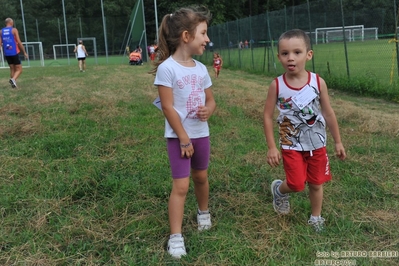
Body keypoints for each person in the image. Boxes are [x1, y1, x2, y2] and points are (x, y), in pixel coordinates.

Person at [263, 29, 346, 233]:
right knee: (297, 183)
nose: (291, 58)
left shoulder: (318, 83)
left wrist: (337, 141)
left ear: (309, 54)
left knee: (317, 183)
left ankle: (315, 217)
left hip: (317, 144)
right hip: (291, 144)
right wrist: (272, 147)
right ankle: (279, 190)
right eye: (285, 53)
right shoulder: (277, 85)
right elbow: (266, 116)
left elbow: (328, 113)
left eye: (297, 52)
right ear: (279, 57)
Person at [151, 6, 215, 259]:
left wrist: (208, 110)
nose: (207, 39)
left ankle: (203, 212)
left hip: (202, 134)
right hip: (180, 139)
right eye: (203, 33)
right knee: (181, 185)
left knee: (201, 176)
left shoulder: (201, 69)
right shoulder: (167, 69)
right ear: (186, 36)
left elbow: (211, 100)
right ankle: (176, 236)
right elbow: (167, 107)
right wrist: (183, 138)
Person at [0, 18, 28, 89]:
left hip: (7, 53)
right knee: (19, 69)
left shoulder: (1, 31)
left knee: (12, 69)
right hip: (14, 52)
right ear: (11, 22)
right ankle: (13, 80)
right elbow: (18, 42)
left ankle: (13, 85)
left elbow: (0, 43)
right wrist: (24, 52)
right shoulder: (14, 30)